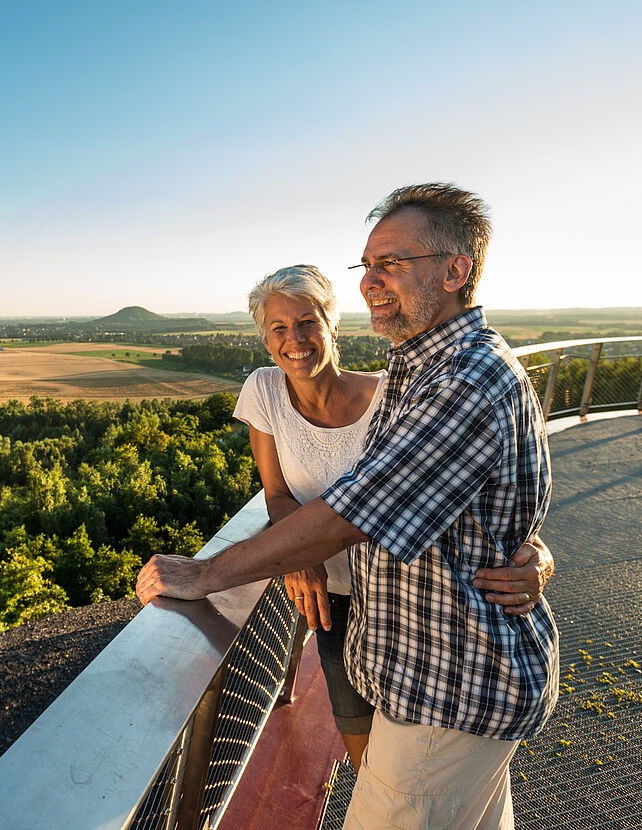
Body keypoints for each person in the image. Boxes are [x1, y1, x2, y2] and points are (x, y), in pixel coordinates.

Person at [137, 183, 559, 830]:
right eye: (367, 265)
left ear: (456, 271)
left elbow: (352, 512)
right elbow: (475, 500)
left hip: (448, 687)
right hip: (418, 665)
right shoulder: (424, 369)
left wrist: (206, 573)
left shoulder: (464, 380)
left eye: (392, 263)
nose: (371, 281)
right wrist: (521, 543)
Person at [236, 262, 553, 773]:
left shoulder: (394, 395)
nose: (295, 338)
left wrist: (536, 552)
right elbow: (276, 492)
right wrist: (298, 556)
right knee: (365, 755)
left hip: (408, 605)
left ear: (332, 325)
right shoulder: (263, 390)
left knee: (421, 764)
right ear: (265, 339)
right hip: (335, 601)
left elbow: (479, 489)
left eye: (308, 321)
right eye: (279, 327)